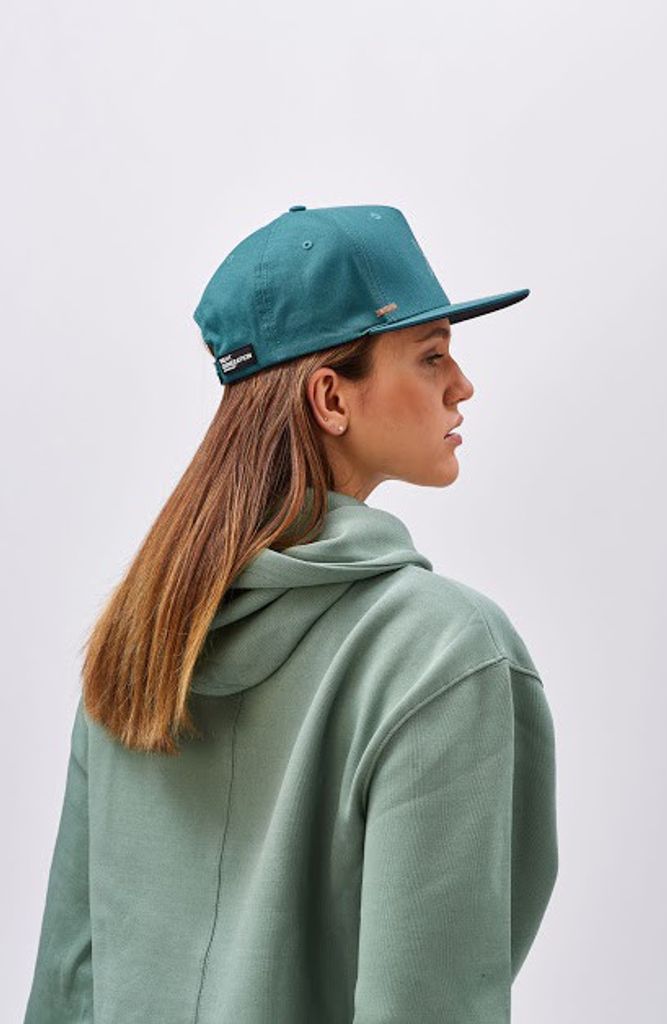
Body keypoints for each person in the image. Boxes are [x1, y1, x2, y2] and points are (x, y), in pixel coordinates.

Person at [23, 204, 558, 1023]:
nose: (461, 383)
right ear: (330, 398)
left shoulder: (142, 638)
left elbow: (68, 982)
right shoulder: (441, 652)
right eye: (430, 355)